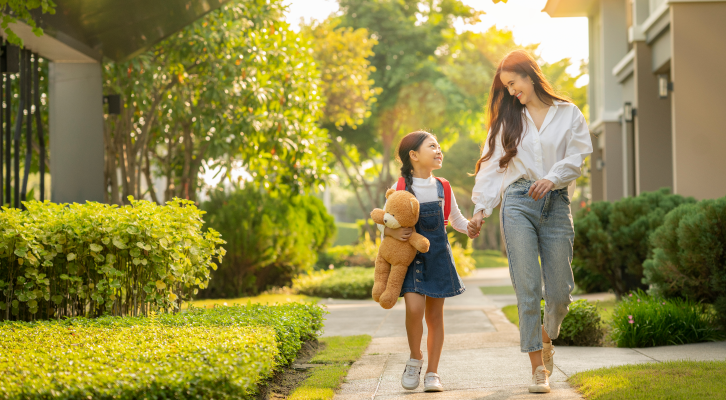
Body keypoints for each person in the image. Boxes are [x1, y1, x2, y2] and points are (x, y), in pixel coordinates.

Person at [468, 49, 593, 393]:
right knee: (527, 289)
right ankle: (538, 369)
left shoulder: (568, 113)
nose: (510, 92)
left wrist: (552, 178)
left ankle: (546, 335)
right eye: (505, 87)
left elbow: (579, 155)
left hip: (555, 202)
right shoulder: (508, 121)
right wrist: (481, 210)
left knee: (560, 294)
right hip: (518, 203)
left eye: (513, 83)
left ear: (529, 74)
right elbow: (493, 167)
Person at [377, 131, 472, 393]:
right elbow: (384, 222)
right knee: (414, 310)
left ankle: (433, 372)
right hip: (409, 259)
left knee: (435, 317)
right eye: (432, 146)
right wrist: (394, 232)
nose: (439, 150)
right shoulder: (400, 187)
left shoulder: (444, 186)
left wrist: (470, 227)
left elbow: (456, 219)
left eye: (439, 146)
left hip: (438, 257)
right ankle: (415, 357)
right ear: (414, 155)